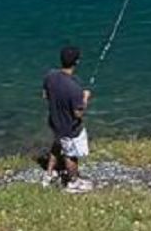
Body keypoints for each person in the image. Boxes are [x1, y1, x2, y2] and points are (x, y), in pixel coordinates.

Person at [42, 45, 93, 192]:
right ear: (76, 62)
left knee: (58, 144)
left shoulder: (50, 75)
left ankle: (49, 173)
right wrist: (85, 98)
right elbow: (78, 114)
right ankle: (73, 182)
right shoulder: (74, 88)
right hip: (69, 128)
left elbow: (45, 95)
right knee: (71, 155)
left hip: (54, 122)